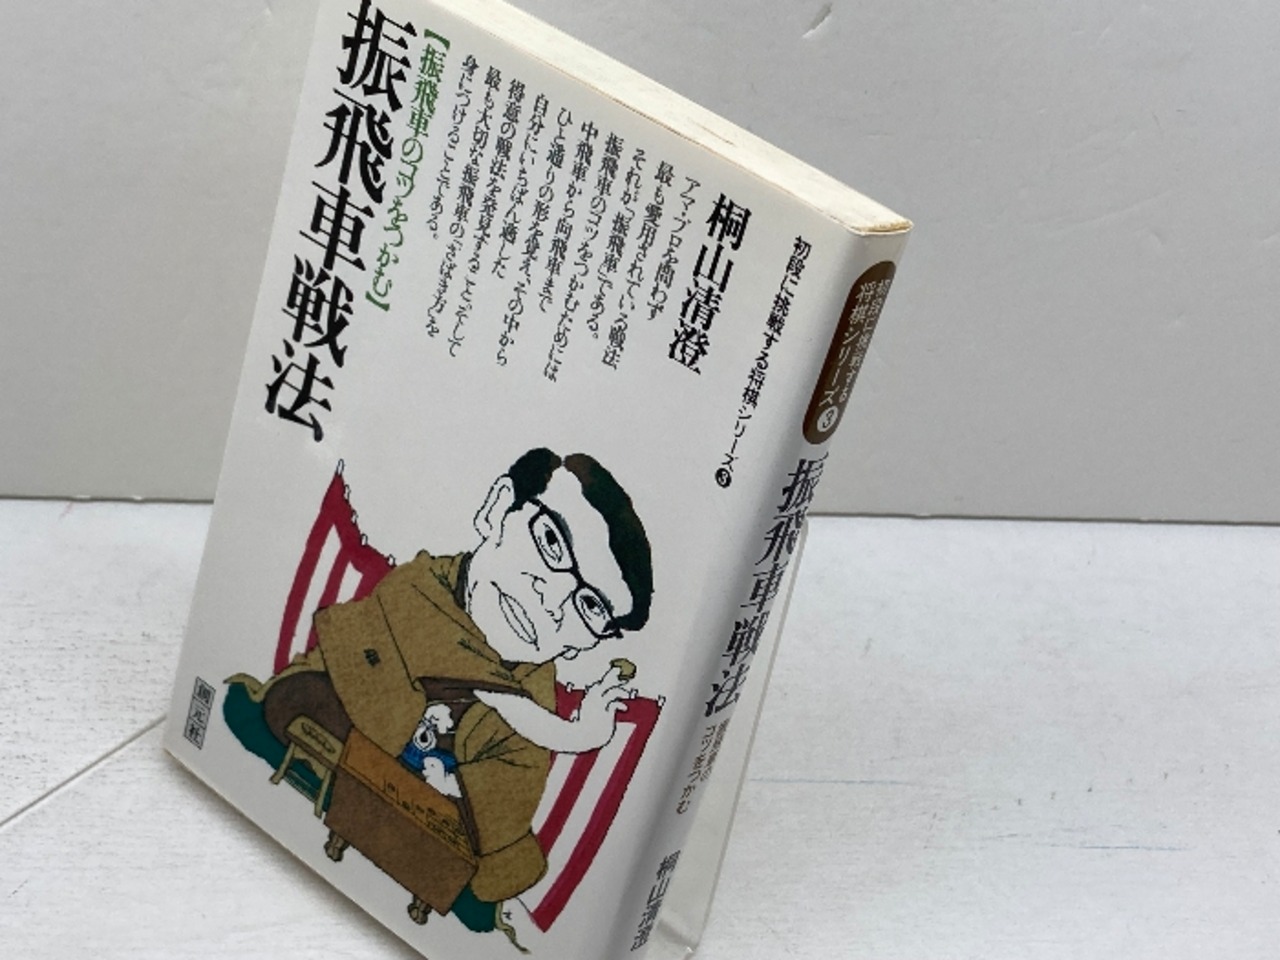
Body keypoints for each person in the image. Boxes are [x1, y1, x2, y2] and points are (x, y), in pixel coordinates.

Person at [225, 447, 653, 933]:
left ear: (590, 641)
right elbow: (356, 662)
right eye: (550, 541)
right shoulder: (419, 588)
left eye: (591, 606)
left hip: (432, 811)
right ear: (498, 509)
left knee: (466, 857)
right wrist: (566, 731)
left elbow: (506, 802)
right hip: (349, 742)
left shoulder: (533, 704)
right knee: (300, 703)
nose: (552, 601)